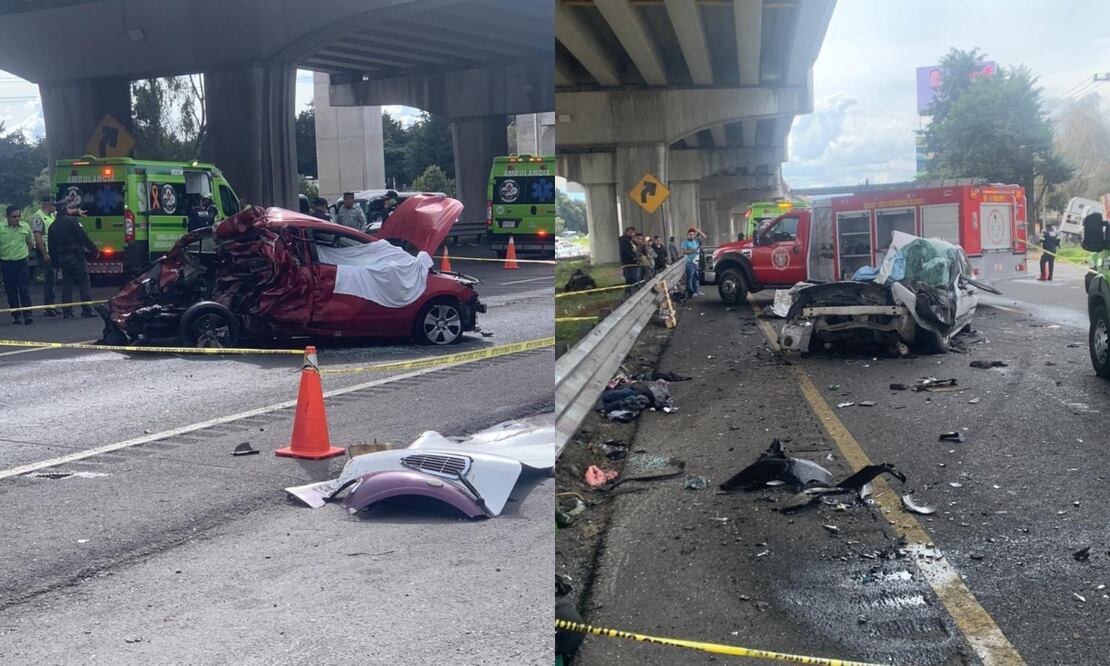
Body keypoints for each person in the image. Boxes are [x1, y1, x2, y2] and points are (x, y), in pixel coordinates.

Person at [47, 201, 99, 319]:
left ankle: (67, 311)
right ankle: (87, 309)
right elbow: (83, 237)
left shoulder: (53, 226)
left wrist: (55, 263)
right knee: (84, 282)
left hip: (62, 258)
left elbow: (51, 247)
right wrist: (94, 250)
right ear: (65, 209)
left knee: (67, 284)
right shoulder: (73, 221)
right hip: (76, 256)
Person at [0, 205, 34, 324]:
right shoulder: (1, 228)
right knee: (11, 290)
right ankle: (16, 315)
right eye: (14, 217)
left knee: (24, 289)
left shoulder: (25, 226)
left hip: (21, 262)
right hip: (7, 263)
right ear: (8, 217)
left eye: (19, 216)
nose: (17, 219)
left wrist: (26, 255)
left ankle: (28, 315)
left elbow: (30, 242)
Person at [30, 197, 57, 316]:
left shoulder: (51, 215)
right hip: (44, 252)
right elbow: (38, 236)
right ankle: (48, 307)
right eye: (53, 205)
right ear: (48, 205)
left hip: (51, 251)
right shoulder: (38, 216)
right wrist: (45, 253)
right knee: (49, 280)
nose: (55, 207)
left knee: (52, 280)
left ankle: (51, 305)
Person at [682, 227, 707, 297]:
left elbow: (704, 237)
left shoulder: (696, 241)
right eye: (690, 234)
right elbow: (684, 251)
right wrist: (693, 251)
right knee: (690, 277)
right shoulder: (685, 242)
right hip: (689, 262)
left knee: (696, 277)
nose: (691, 236)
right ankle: (691, 292)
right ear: (687, 235)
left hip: (696, 261)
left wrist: (698, 230)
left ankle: (697, 291)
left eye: (693, 235)